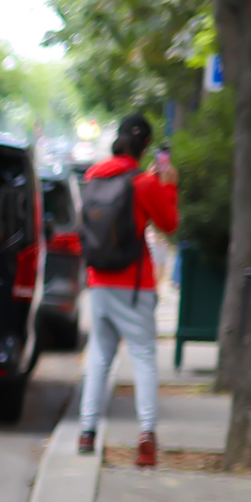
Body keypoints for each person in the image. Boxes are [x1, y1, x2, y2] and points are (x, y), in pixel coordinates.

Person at [75, 113, 179, 466]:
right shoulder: (143, 183)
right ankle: (147, 437)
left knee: (100, 357)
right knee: (144, 358)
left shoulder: (93, 175)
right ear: (146, 145)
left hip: (98, 282)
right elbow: (169, 223)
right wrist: (168, 184)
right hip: (134, 285)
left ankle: (87, 431)